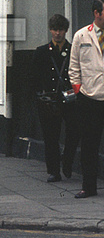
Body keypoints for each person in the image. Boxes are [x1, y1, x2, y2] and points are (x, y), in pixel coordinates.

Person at [32, 14, 79, 182]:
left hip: (69, 99)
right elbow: (35, 77)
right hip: (49, 100)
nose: (57, 33)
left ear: (66, 30)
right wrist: (39, 96)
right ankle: (54, 171)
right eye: (54, 30)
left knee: (74, 131)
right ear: (50, 30)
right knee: (51, 136)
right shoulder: (42, 52)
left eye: (60, 30)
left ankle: (67, 161)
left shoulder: (73, 50)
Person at [68, 0, 104, 198]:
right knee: (89, 145)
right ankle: (88, 187)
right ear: (96, 13)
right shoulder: (81, 36)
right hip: (88, 99)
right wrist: (78, 90)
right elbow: (74, 66)